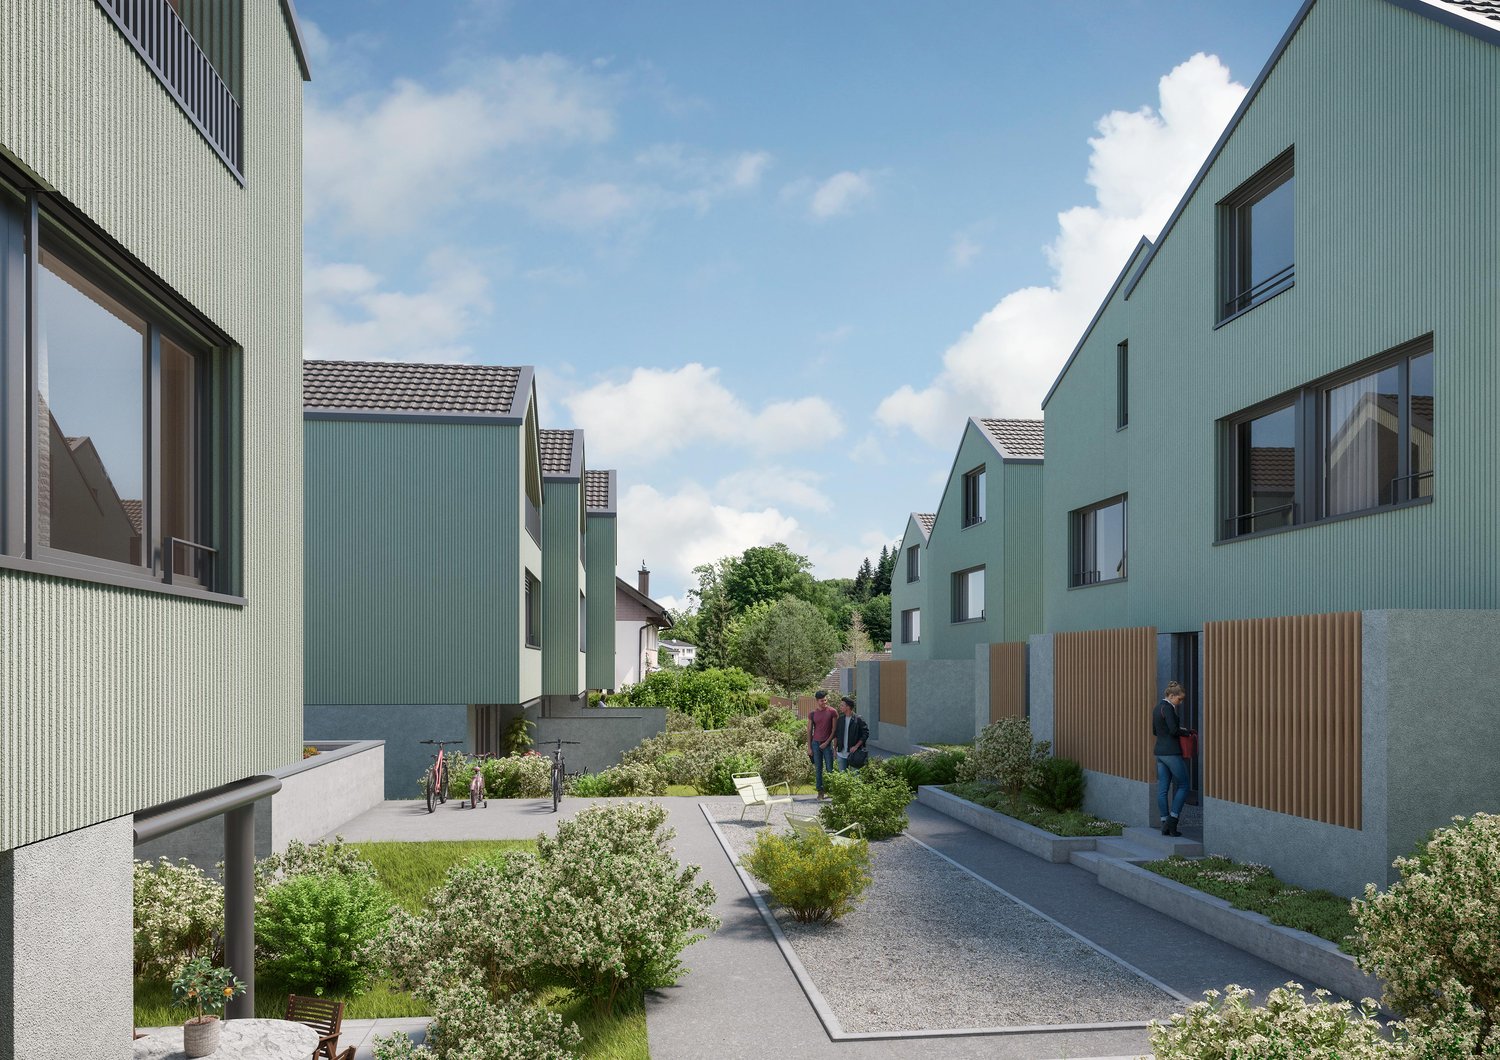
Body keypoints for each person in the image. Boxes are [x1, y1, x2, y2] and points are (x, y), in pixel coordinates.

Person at [1153, 680, 1191, 836]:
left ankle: (1165, 824)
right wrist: (1186, 732)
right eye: (1179, 699)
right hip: (1171, 752)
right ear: (1171, 695)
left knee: (1163, 789)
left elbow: (1155, 731)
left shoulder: (1156, 708)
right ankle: (1172, 821)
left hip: (1160, 753)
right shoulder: (1168, 708)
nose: (1180, 702)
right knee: (1184, 785)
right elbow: (1174, 730)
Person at [807, 690, 839, 798]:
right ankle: (820, 792)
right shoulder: (812, 714)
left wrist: (827, 742)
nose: (824, 702)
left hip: (827, 744)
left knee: (830, 768)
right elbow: (809, 731)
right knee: (818, 768)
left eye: (825, 700)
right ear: (817, 701)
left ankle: (832, 790)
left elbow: (834, 730)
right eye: (822, 701)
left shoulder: (832, 712)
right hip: (816, 744)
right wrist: (809, 747)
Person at [834, 696, 869, 770]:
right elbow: (836, 735)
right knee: (842, 778)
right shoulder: (840, 719)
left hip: (854, 754)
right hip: (841, 754)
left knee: (855, 777)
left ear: (848, 707)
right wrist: (834, 750)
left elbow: (865, 734)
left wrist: (856, 746)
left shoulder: (858, 719)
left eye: (842, 705)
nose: (840, 707)